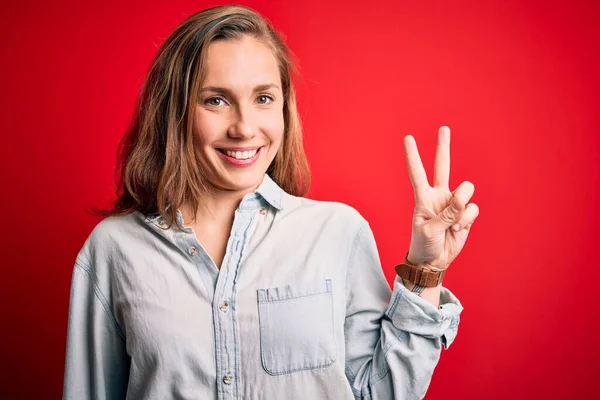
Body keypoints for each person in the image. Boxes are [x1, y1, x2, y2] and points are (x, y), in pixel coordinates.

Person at [63, 4, 479, 400]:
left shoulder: (337, 233)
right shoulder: (114, 250)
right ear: (175, 112)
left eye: (263, 98)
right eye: (216, 100)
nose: (245, 128)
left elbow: (379, 393)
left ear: (284, 108)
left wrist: (427, 270)